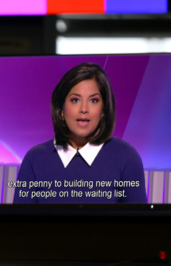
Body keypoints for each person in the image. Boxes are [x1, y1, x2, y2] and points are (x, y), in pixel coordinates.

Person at [14, 63, 147, 204]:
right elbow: (20, 224)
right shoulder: (35, 158)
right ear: (61, 109)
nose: (84, 109)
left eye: (93, 100)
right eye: (75, 100)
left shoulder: (126, 157)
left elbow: (139, 224)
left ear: (103, 110)